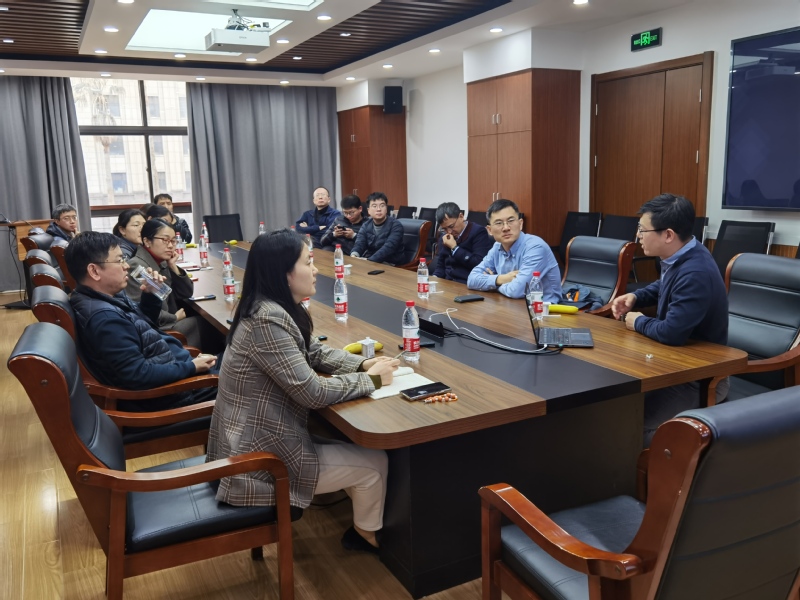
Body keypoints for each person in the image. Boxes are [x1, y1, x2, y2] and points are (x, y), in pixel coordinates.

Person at [206, 229, 399, 553]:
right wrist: (373, 380)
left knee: (348, 445)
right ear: (284, 273)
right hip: (257, 462)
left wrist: (362, 364)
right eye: (308, 262)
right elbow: (313, 393)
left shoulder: (269, 306)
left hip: (257, 439)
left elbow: (315, 352)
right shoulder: (267, 320)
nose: (316, 269)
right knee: (375, 463)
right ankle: (366, 536)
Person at [610, 194, 729, 446]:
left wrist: (637, 321)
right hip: (672, 365)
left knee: (631, 428)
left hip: (699, 379)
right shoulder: (684, 253)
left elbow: (670, 332)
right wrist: (636, 296)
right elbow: (665, 285)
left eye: (642, 230)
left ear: (668, 235)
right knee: (614, 407)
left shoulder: (696, 271)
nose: (638, 236)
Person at [66, 231, 218, 412]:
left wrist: (151, 295)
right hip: (174, 395)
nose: (126, 266)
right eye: (119, 260)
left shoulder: (102, 297)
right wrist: (191, 367)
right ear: (94, 271)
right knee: (243, 377)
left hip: (174, 368)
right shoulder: (105, 319)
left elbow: (141, 327)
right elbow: (137, 374)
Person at [126, 218, 202, 348]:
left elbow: (186, 293)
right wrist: (174, 318)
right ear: (147, 241)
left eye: (173, 241)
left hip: (165, 321)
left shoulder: (161, 261)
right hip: (157, 331)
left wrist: (173, 266)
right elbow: (141, 311)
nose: (171, 245)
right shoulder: (137, 267)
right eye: (165, 240)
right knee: (206, 324)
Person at [467, 199, 561, 301]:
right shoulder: (497, 247)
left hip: (543, 308)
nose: (506, 228)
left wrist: (493, 284)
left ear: (520, 224)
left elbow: (516, 291)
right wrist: (500, 279)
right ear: (490, 230)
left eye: (511, 221)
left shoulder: (536, 247)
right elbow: (471, 280)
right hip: (510, 304)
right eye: (499, 223)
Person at [432, 202, 492, 284]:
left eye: (451, 226)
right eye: (444, 229)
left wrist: (455, 248)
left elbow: (479, 264)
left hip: (467, 284)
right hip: (447, 283)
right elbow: (440, 266)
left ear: (461, 216)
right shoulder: (445, 236)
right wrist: (434, 279)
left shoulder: (478, 232)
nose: (449, 232)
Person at [350, 192, 405, 264]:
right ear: (368, 210)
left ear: (386, 209)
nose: (378, 209)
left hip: (391, 264)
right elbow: (360, 243)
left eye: (382, 206)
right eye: (374, 206)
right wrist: (354, 255)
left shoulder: (396, 225)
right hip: (372, 261)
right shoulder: (366, 225)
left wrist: (369, 261)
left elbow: (389, 248)